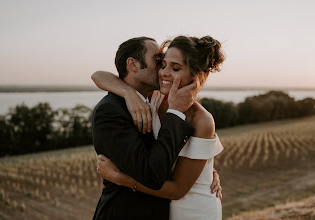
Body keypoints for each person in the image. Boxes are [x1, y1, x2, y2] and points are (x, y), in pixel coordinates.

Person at [93, 35, 225, 220]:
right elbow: (98, 75)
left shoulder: (202, 120)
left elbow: (179, 188)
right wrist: (128, 93)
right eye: (162, 64)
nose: (163, 72)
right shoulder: (154, 97)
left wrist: (121, 178)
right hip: (157, 208)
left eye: (176, 68)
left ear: (194, 75)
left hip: (194, 209)